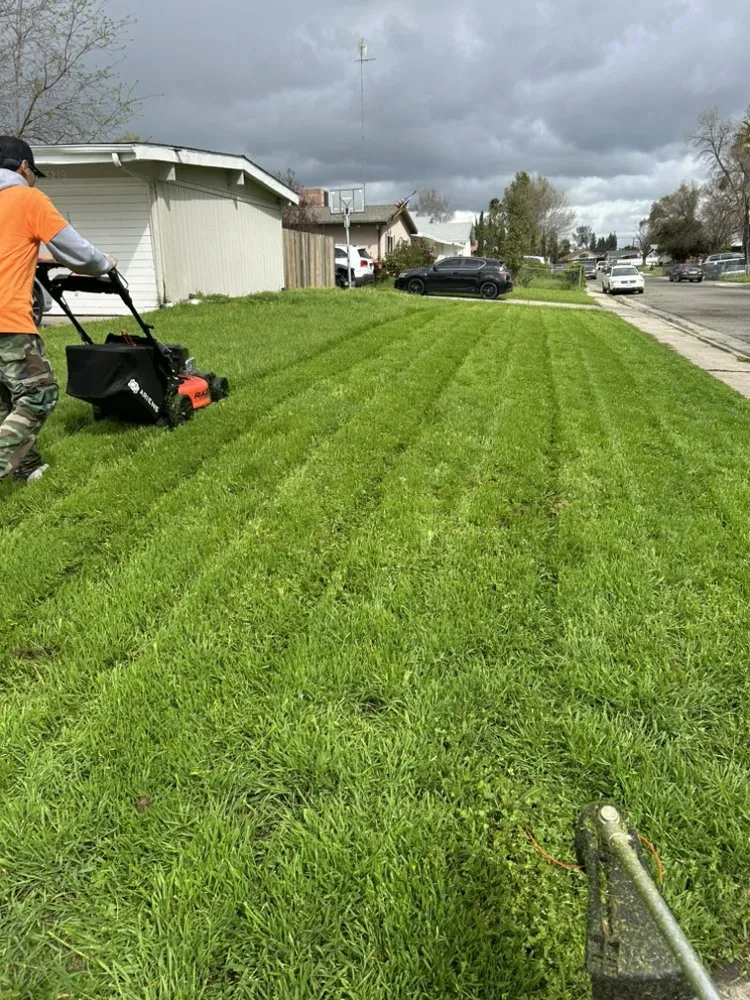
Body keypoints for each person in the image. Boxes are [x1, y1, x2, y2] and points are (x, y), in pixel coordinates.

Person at [0, 135, 116, 484]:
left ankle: (26, 467)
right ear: (24, 167)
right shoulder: (26, 198)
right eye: (33, 173)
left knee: (5, 398)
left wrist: (41, 256)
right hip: (7, 320)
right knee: (39, 394)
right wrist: (104, 263)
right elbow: (79, 253)